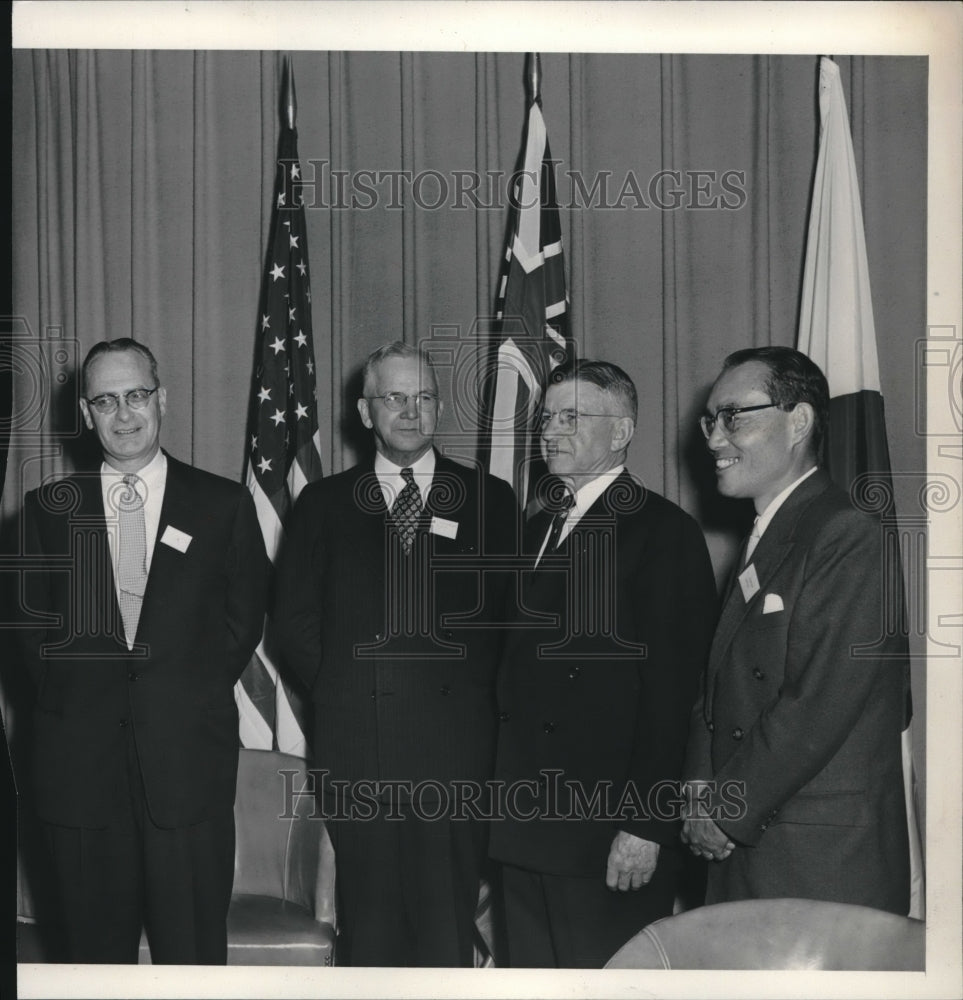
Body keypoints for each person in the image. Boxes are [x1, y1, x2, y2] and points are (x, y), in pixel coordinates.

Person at [20, 338, 270, 963]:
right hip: (80, 777)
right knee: (91, 964)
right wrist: (84, 704)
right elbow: (27, 639)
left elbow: (242, 623)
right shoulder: (46, 512)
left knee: (192, 959)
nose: (124, 414)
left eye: (136, 395)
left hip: (186, 772)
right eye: (106, 401)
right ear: (86, 413)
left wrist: (180, 693)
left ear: (163, 400)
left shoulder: (222, 505)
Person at [273, 341, 519, 967]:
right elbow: (294, 620)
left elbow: (509, 626)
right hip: (360, 754)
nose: (412, 411)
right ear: (365, 410)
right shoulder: (323, 504)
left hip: (455, 760)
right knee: (371, 938)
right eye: (395, 397)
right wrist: (347, 690)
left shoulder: (489, 499)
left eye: (425, 397)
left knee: (444, 938)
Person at [488, 359, 718, 968]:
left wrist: (647, 826)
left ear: (621, 432)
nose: (550, 432)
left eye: (571, 417)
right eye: (546, 418)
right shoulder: (537, 528)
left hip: (607, 834)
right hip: (525, 824)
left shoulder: (662, 533)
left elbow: (675, 695)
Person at [681, 346, 910, 914]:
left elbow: (820, 701)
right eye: (711, 420)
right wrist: (699, 786)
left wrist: (726, 807)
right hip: (751, 841)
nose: (714, 438)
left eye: (734, 416)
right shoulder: (771, 533)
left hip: (818, 860)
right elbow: (716, 686)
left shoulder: (845, 531)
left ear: (799, 421)